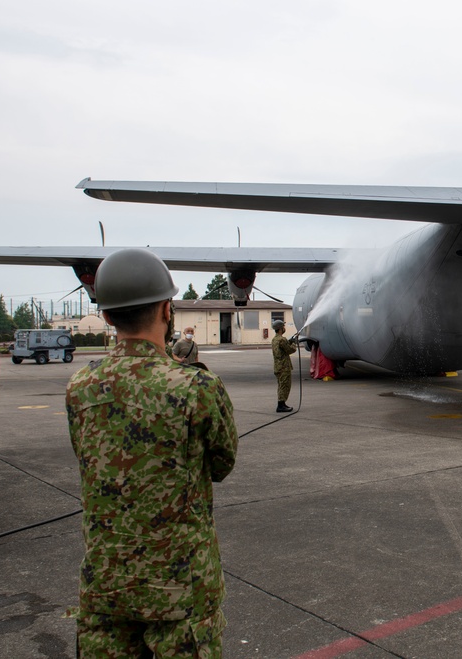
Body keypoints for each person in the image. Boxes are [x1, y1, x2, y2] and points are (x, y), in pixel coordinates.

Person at [66, 248, 237, 656]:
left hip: (106, 582)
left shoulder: (80, 388)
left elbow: (87, 458)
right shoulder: (196, 387)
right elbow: (221, 464)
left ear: (106, 316)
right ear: (167, 309)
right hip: (179, 587)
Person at [271, 319, 296, 412]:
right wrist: (294, 343)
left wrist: (289, 341)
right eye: (283, 327)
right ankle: (281, 405)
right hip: (284, 367)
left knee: (281, 385)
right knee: (284, 386)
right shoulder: (282, 339)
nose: (284, 328)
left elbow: (282, 348)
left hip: (278, 367)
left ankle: (282, 404)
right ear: (280, 328)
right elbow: (290, 350)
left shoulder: (275, 339)